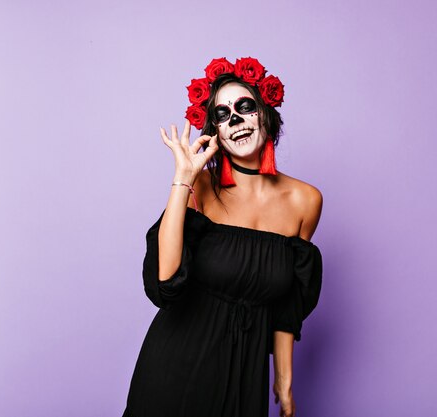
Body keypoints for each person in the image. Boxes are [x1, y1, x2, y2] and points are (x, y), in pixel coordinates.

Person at [122, 57, 323, 417]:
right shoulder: (201, 186)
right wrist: (182, 179)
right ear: (215, 132)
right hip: (177, 365)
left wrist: (284, 383)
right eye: (222, 114)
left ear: (265, 114)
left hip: (245, 375)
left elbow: (287, 306)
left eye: (245, 108)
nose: (236, 121)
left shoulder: (304, 201)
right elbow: (166, 281)